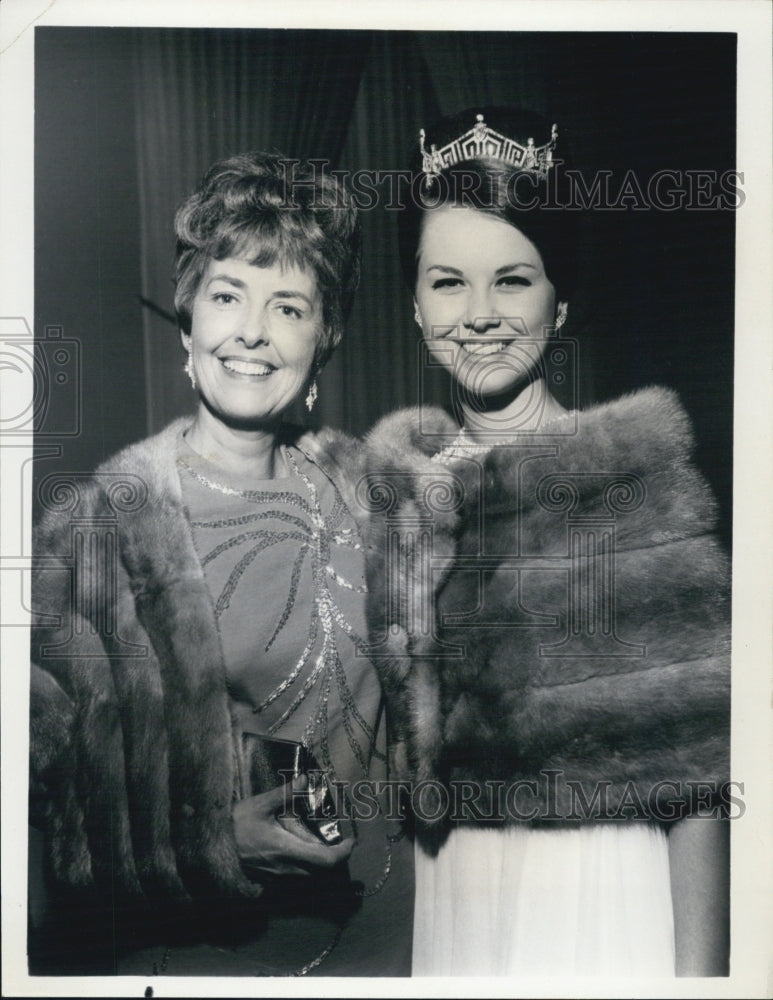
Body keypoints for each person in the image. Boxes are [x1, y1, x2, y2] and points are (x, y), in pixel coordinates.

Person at [360, 108, 731, 977]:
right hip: (457, 904)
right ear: (414, 307)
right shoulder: (401, 503)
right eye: (447, 282)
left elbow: (700, 792)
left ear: (560, 302)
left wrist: (701, 986)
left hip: (596, 904)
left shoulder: (631, 484)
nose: (479, 315)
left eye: (513, 281)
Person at [28, 151, 413, 977]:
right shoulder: (95, 537)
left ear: (326, 336)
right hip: (206, 957)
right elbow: (40, 821)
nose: (251, 331)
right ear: (188, 319)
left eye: (289, 306)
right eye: (227, 295)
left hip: (399, 936)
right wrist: (209, 841)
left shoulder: (386, 504)